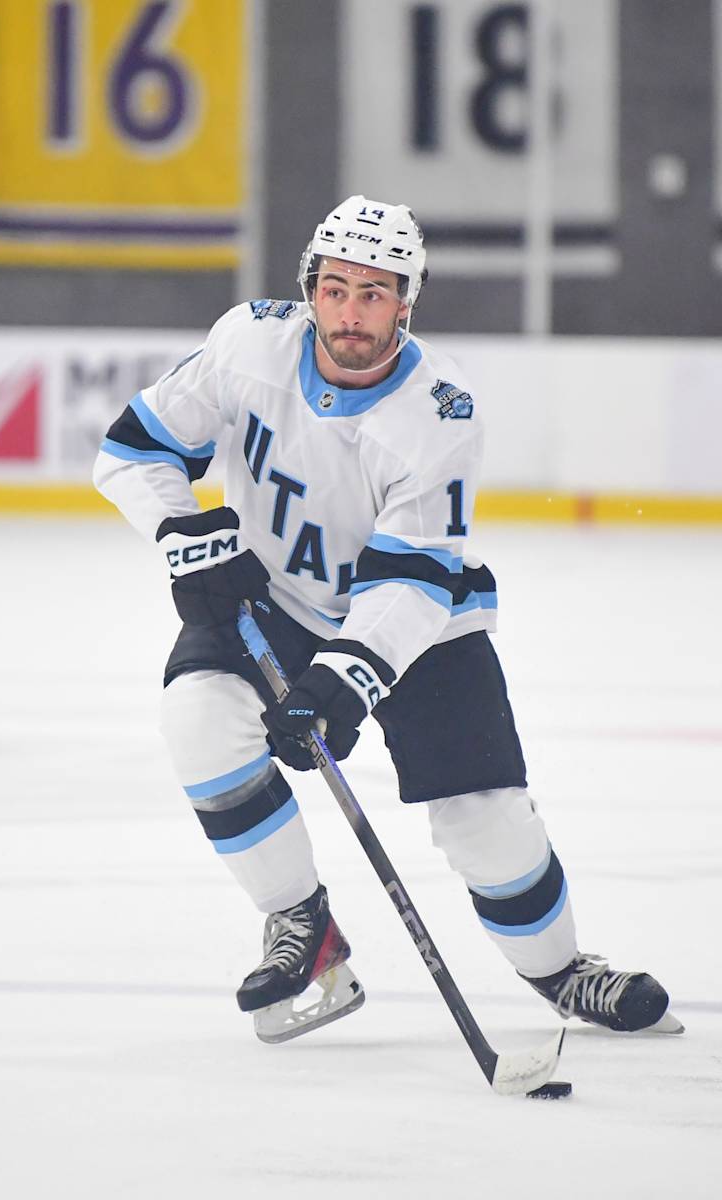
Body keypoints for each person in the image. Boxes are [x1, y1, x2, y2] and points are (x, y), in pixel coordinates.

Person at [92, 195, 680, 1044]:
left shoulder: (439, 411)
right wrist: (184, 533)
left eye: (375, 294)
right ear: (309, 289)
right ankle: (304, 926)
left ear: (407, 301)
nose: (351, 313)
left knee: (486, 821)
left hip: (425, 628)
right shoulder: (250, 345)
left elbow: (409, 577)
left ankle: (560, 970)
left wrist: (342, 681)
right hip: (280, 600)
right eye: (335, 290)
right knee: (198, 722)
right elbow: (134, 449)